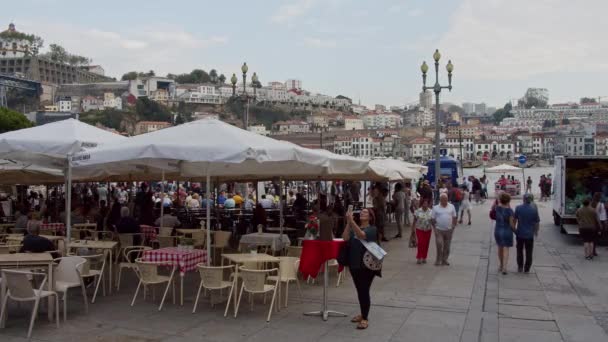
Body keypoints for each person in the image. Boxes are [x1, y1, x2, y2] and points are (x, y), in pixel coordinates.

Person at [342, 208, 379, 330]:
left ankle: (365, 318)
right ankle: (363, 314)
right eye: (361, 212)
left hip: (366, 266)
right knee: (360, 291)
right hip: (354, 265)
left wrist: (352, 222)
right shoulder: (354, 227)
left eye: (365, 213)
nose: (362, 214)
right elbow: (345, 238)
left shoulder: (372, 229)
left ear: (370, 217)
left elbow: (362, 236)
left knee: (364, 291)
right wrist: (348, 222)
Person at [513, 194, 540, 273]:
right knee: (529, 252)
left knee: (519, 251)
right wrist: (536, 231)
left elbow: (514, 220)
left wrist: (514, 230)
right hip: (529, 234)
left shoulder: (518, 208)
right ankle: (527, 268)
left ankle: (520, 267)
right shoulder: (534, 210)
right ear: (531, 200)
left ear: (523, 199)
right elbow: (537, 222)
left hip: (520, 233)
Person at [431, 193, 457, 266]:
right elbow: (432, 219)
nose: (444, 201)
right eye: (442, 200)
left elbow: (454, 217)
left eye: (445, 200)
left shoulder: (451, 206)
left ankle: (444, 259)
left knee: (447, 247)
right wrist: (435, 229)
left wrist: (453, 227)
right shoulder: (435, 208)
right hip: (439, 230)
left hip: (449, 230)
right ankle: (438, 260)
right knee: (439, 244)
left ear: (447, 199)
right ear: (440, 200)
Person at [494, 193, 515, 274]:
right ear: (508, 201)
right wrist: (515, 231)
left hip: (498, 230)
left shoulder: (497, 208)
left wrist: (500, 198)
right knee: (506, 249)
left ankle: (501, 265)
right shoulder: (510, 211)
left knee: (500, 248)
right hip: (507, 231)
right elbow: (511, 225)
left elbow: (498, 200)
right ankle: (505, 268)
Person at [413, 198, 433, 264]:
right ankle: (419, 257)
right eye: (424, 203)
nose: (425, 205)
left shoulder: (431, 211)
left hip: (428, 230)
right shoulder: (418, 211)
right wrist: (412, 230)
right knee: (420, 243)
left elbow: (433, 221)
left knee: (426, 244)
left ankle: (424, 257)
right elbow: (414, 221)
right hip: (419, 229)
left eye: (426, 203)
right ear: (421, 204)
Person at [591, 192, 605, 257]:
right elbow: (602, 215)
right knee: (595, 237)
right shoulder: (601, 204)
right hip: (597, 222)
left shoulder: (591, 203)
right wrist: (602, 224)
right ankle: (593, 250)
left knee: (590, 237)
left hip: (590, 222)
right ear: (599, 197)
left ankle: (590, 250)